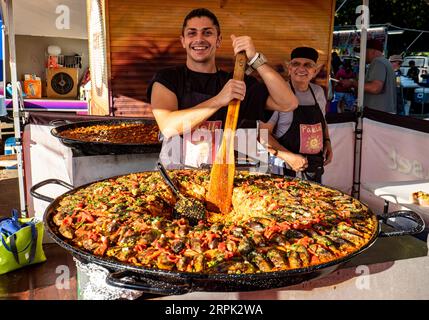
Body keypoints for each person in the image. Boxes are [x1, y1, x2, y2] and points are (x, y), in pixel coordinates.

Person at [147, 8, 298, 167]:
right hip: (174, 177)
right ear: (183, 41)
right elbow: (168, 127)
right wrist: (219, 99)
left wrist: (255, 59)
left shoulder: (237, 82)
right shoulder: (168, 78)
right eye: (192, 33)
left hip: (220, 178)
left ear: (218, 40)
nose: (199, 39)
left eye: (207, 33)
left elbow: (288, 103)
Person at [259, 47, 333, 183]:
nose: (301, 68)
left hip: (313, 165)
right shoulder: (278, 94)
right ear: (289, 69)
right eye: (296, 64)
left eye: (308, 65)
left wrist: (327, 141)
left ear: (314, 71)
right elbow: (262, 135)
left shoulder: (318, 92)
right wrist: (288, 157)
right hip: (283, 167)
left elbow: (322, 121)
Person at [340, 39, 397, 113]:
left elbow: (375, 88)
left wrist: (352, 82)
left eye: (365, 51)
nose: (362, 54)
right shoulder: (386, 62)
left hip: (377, 114)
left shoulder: (377, 62)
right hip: (384, 113)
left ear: (373, 51)